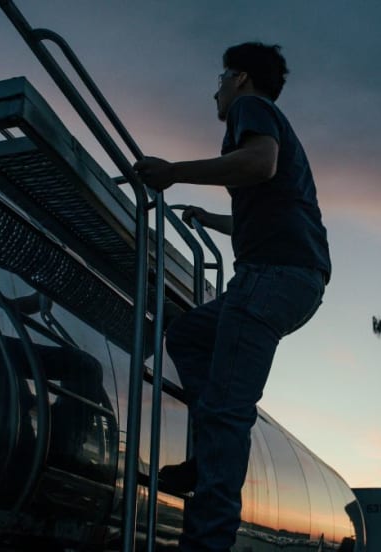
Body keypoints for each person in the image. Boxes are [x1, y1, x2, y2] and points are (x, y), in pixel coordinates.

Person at [133, 42, 331, 551]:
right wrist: (213, 219)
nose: (216, 92)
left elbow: (258, 164)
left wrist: (174, 171)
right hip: (288, 279)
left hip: (271, 277)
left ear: (240, 78)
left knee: (227, 411)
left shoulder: (252, 108)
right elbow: (268, 200)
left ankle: (207, 540)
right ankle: (209, 455)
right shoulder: (273, 127)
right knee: (188, 335)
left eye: (221, 79)